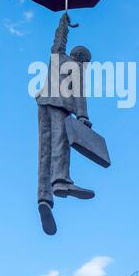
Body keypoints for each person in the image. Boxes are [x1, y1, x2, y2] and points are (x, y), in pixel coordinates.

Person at [36, 13, 94, 235]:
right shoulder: (77, 68)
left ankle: (44, 198)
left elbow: (58, 39)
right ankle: (61, 181)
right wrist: (82, 117)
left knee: (44, 152)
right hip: (61, 105)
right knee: (61, 142)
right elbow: (79, 94)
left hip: (43, 103)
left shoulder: (57, 55)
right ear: (83, 59)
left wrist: (64, 24)